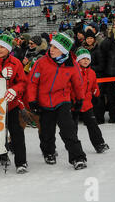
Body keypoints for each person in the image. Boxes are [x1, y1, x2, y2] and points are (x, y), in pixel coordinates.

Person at [28, 33, 88, 170]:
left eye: (56, 47)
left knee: (68, 129)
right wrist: (32, 101)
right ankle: (48, 152)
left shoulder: (72, 65)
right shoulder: (41, 62)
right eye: (51, 46)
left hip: (62, 100)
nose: (52, 50)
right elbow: (32, 82)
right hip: (44, 102)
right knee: (46, 132)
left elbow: (78, 83)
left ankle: (77, 157)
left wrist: (80, 99)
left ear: (65, 51)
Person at [0, 34, 28, 174]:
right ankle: (2, 155)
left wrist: (14, 90)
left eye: (2, 47)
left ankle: (21, 162)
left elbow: (22, 82)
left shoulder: (16, 63)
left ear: (9, 49)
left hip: (11, 105)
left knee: (17, 133)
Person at [72, 49, 110, 153]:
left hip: (87, 103)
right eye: (83, 58)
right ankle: (72, 145)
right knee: (72, 127)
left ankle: (99, 144)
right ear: (78, 60)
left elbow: (94, 85)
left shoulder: (92, 72)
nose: (85, 61)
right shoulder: (73, 71)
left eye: (87, 58)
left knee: (93, 124)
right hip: (74, 103)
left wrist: (96, 94)